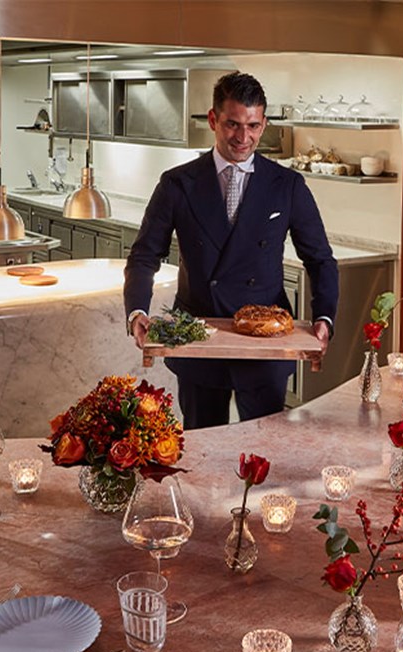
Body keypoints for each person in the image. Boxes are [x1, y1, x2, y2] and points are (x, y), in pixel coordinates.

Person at [124, 71, 339, 429]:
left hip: (267, 344)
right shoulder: (178, 184)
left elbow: (319, 259)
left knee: (263, 448)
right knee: (201, 450)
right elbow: (145, 255)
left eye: (253, 126)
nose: (244, 137)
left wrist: (325, 317)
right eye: (233, 124)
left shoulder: (286, 185)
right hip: (196, 337)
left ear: (264, 122)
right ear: (213, 120)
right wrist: (136, 312)